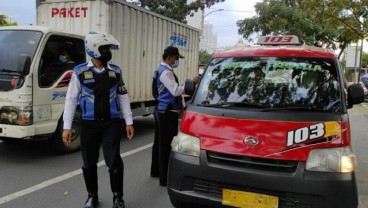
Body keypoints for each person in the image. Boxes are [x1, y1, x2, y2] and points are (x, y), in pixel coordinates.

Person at [62, 31, 134, 208]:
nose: (108, 52)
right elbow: (71, 99)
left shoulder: (116, 72)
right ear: (94, 50)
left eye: (109, 48)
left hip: (111, 124)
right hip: (89, 125)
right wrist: (66, 127)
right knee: (89, 162)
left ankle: (118, 197)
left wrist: (129, 121)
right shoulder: (80, 72)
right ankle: (92, 196)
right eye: (105, 48)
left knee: (114, 162)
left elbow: (123, 96)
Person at [150, 46, 200, 186]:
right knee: (166, 146)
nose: (177, 61)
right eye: (176, 58)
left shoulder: (159, 70)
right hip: (167, 113)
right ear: (170, 57)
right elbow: (176, 91)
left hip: (161, 110)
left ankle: (156, 171)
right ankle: (164, 178)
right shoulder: (166, 73)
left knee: (158, 144)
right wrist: (192, 82)